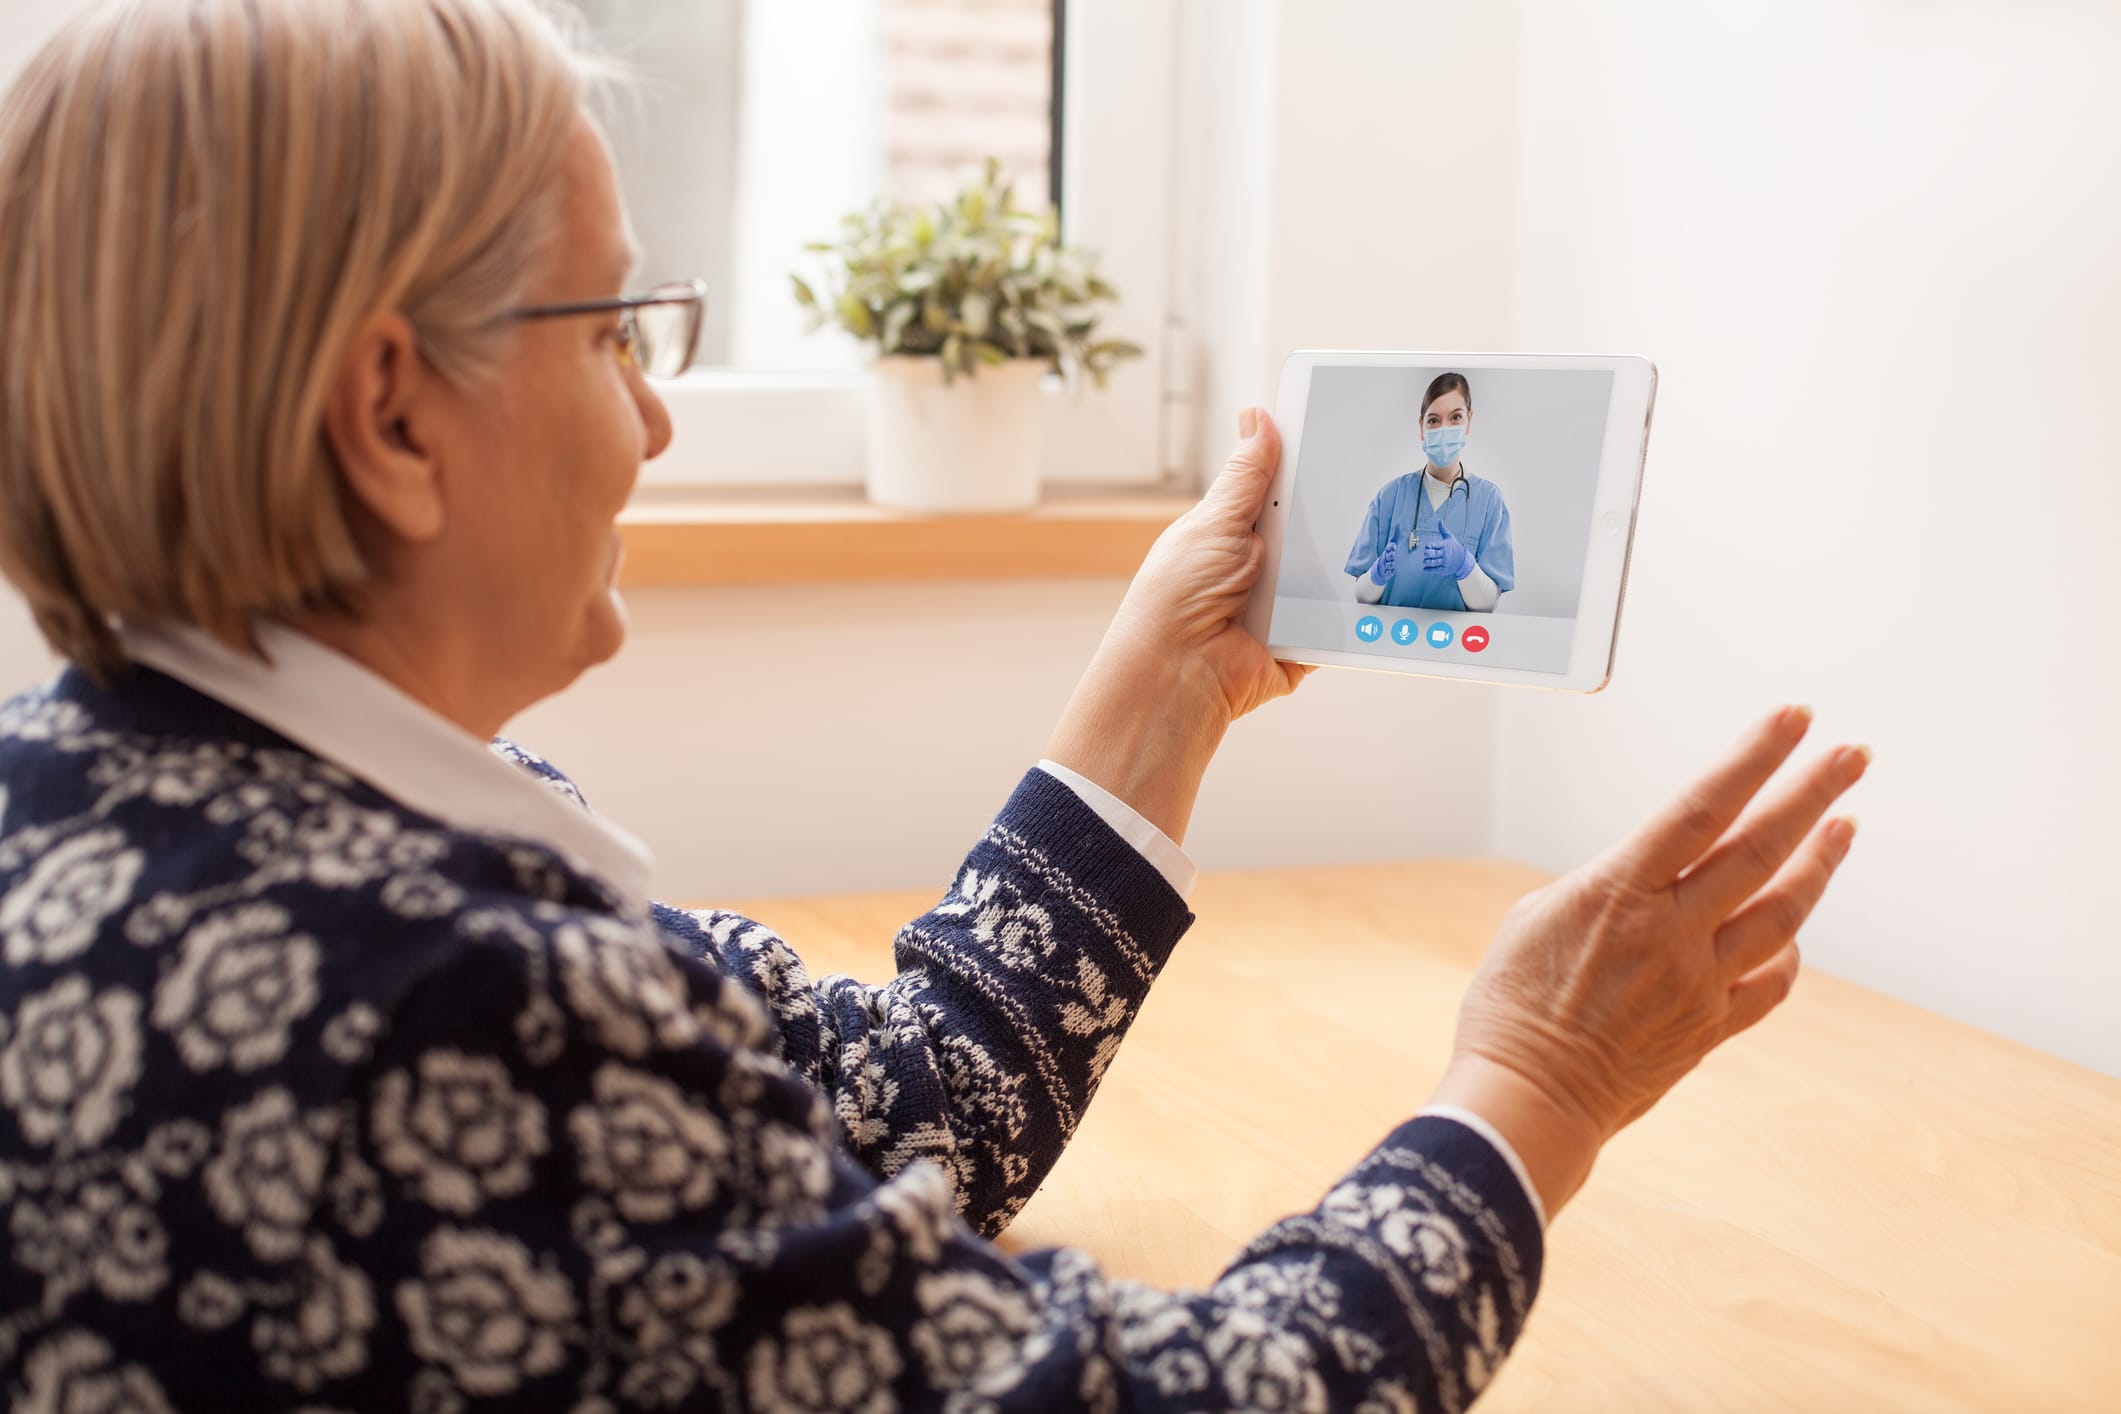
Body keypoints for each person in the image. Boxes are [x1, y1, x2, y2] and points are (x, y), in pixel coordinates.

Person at [0, 2, 1867, 1409]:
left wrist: (1168, 687)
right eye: (616, 329)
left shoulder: (127, 804)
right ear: (395, 416)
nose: (655, 415)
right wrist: (1533, 1078)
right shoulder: (452, 1008)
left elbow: (903, 1114)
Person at [1347, 372, 1517, 611]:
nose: (1443, 429)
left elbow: (1487, 604)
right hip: (1390, 641)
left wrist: (1464, 566)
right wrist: (1376, 576)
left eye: (1455, 417)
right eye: (1434, 421)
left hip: (1454, 644)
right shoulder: (1389, 497)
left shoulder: (1489, 501)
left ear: (1469, 420)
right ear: (1421, 427)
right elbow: (1362, 596)